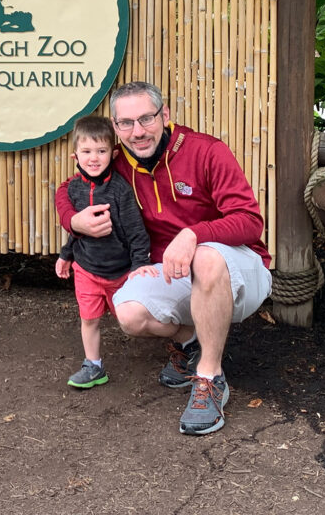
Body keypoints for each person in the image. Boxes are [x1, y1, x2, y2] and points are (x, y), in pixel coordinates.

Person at [55, 81, 272, 435]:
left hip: (239, 270)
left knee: (205, 257)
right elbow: (69, 187)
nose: (137, 132)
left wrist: (194, 234)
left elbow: (250, 221)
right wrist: (73, 220)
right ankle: (191, 345)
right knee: (129, 314)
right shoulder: (118, 159)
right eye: (126, 123)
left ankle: (210, 377)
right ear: (114, 127)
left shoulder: (207, 151)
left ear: (165, 115)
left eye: (146, 119)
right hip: (172, 272)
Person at [55, 115, 150, 389]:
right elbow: (76, 230)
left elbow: (136, 233)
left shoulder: (120, 190)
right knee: (89, 319)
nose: (93, 158)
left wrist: (138, 266)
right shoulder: (73, 188)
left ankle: (179, 346)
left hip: (120, 272)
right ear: (75, 155)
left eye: (101, 151)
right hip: (86, 269)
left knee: (131, 321)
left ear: (114, 153)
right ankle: (93, 365)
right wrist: (65, 255)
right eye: (86, 151)